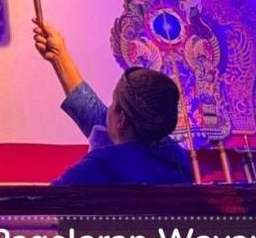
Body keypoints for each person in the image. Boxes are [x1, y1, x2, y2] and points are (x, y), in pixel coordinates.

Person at [33, 19, 193, 185]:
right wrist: (60, 57)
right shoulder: (177, 161)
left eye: (113, 102)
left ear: (121, 120)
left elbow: (51, 199)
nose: (108, 110)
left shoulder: (99, 166)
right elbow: (106, 120)